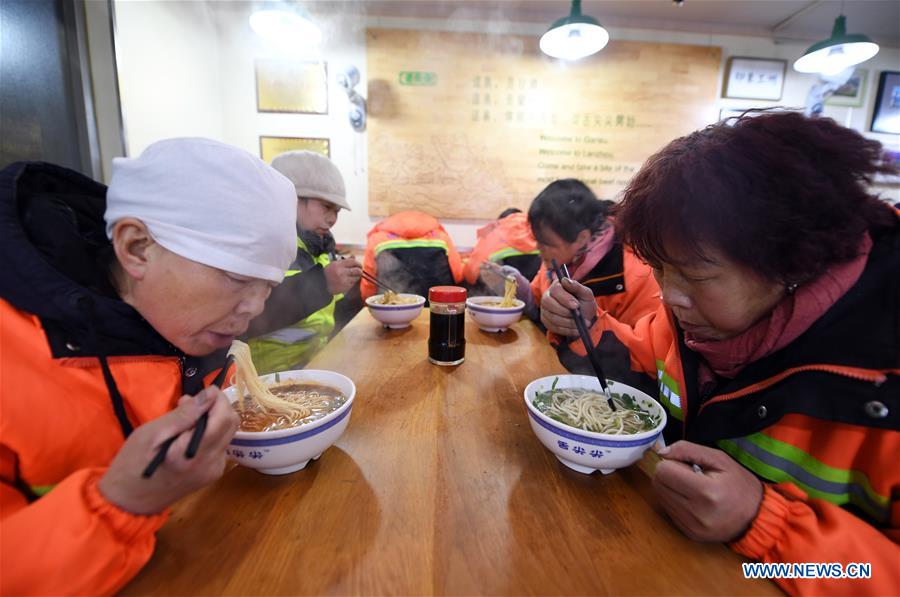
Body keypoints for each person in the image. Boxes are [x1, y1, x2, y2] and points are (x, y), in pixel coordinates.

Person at [541, 113, 899, 595]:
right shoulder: (692, 328)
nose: (669, 295)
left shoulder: (879, 384)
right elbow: (638, 370)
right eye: (661, 269)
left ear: (793, 261)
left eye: (696, 275)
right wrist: (583, 324)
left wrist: (767, 525)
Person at [0, 138, 297, 594]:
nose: (255, 309)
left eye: (268, 286)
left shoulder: (192, 329)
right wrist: (120, 503)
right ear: (136, 247)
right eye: (237, 277)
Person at [245, 150, 362, 374]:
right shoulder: (265, 247)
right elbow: (251, 317)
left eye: (336, 211)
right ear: (291, 200)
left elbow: (332, 314)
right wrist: (323, 283)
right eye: (327, 207)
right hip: (267, 375)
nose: (333, 219)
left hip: (315, 363)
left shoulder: (321, 246)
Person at [361, 210, 464, 301]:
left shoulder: (377, 239)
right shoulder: (441, 237)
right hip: (437, 307)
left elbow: (368, 281)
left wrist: (368, 303)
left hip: (393, 309)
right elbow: (458, 275)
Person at [462, 207, 541, 289]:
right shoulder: (533, 227)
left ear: (500, 221)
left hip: (503, 281)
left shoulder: (497, 229)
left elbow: (470, 272)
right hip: (534, 284)